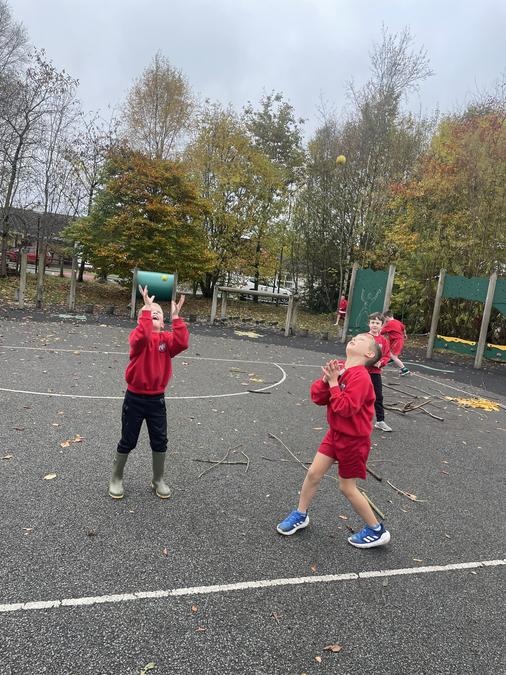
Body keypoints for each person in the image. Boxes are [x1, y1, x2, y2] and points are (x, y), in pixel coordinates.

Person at [276, 333, 391, 549]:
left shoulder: (362, 377)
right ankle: (301, 514)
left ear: (369, 353)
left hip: (354, 441)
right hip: (335, 434)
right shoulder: (339, 368)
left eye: (361, 339)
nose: (355, 338)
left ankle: (376, 530)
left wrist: (333, 383)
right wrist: (325, 381)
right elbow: (318, 398)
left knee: (347, 487)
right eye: (355, 337)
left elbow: (345, 408)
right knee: (313, 473)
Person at [108, 285, 188, 500]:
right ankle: (116, 478)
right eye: (149, 312)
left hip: (156, 401)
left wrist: (176, 318)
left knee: (160, 440)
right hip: (134, 399)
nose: (154, 313)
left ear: (163, 322)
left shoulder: (167, 341)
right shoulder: (138, 338)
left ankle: (158, 479)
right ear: (141, 320)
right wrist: (146, 308)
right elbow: (142, 337)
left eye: (158, 313)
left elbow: (182, 343)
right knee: (128, 440)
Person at [367, 312, 392, 432]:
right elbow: (355, 351)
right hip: (362, 371)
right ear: (369, 324)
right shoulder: (363, 337)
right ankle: (352, 418)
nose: (374, 325)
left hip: (375, 373)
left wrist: (380, 363)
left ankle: (380, 421)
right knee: (358, 394)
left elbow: (386, 356)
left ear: (382, 325)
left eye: (377, 323)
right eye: (372, 322)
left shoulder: (383, 340)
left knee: (378, 396)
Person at [381, 310, 410, 376]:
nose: (385, 320)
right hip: (397, 340)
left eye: (385, 318)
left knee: (392, 355)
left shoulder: (389, 323)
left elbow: (382, 332)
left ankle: (404, 369)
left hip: (396, 341)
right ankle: (390, 360)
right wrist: (405, 334)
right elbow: (403, 328)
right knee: (389, 353)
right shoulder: (397, 322)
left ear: (387, 317)